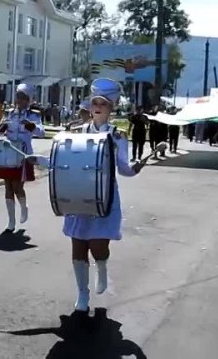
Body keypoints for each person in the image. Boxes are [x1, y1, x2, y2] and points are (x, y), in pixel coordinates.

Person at [29, 78, 144, 314]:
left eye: (103, 103)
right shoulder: (76, 133)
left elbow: (124, 169)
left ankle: (101, 265)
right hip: (77, 194)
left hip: (105, 196)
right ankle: (83, 293)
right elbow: (65, 162)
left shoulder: (118, 136)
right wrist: (39, 161)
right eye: (95, 102)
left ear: (112, 107)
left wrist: (137, 167)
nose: (98, 106)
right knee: (78, 245)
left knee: (98, 246)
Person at [0, 83, 44, 233]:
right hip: (8, 152)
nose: (20, 101)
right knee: (8, 186)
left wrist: (32, 127)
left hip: (22, 154)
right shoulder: (9, 113)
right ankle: (11, 220)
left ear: (29, 101)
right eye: (18, 98)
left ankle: (23, 207)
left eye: (24, 99)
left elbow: (41, 132)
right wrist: (1, 129)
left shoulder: (33, 115)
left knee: (17, 186)